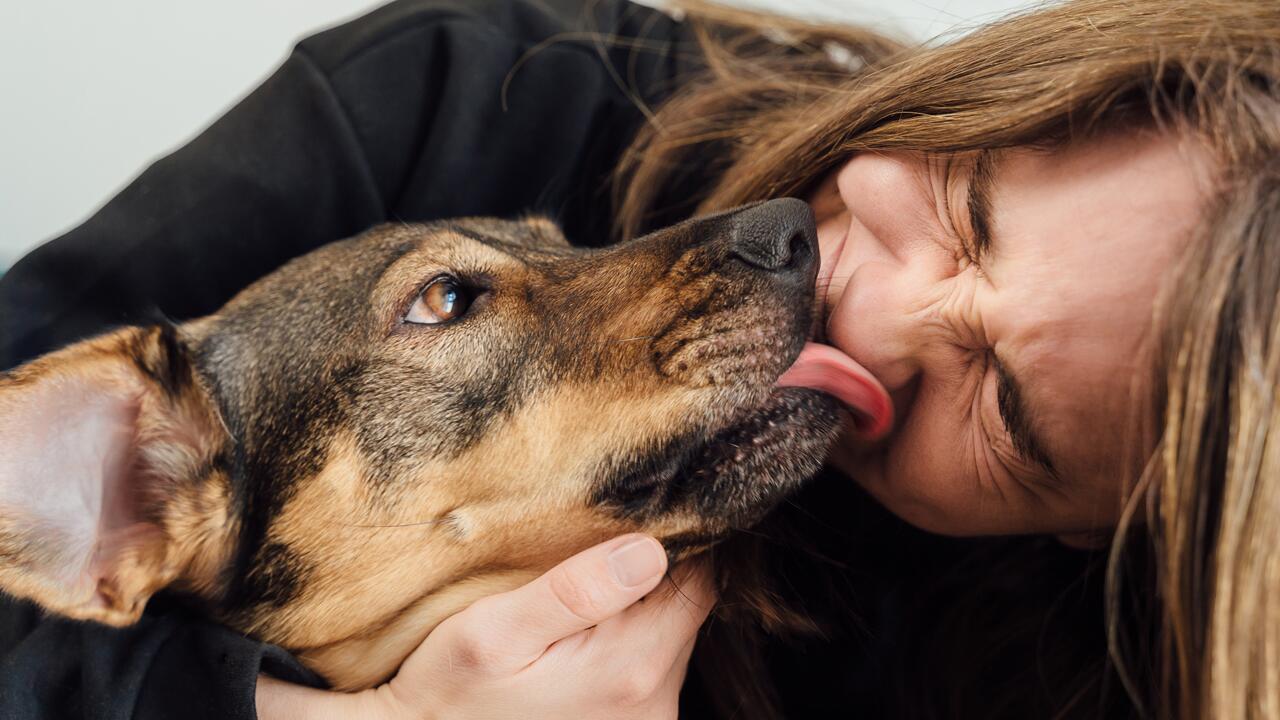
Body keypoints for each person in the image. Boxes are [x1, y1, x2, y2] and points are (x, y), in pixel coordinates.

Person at [1, 0, 1278, 717]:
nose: (869, 316)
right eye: (967, 203)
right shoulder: (483, 93)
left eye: (1005, 407)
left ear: (1103, 533)